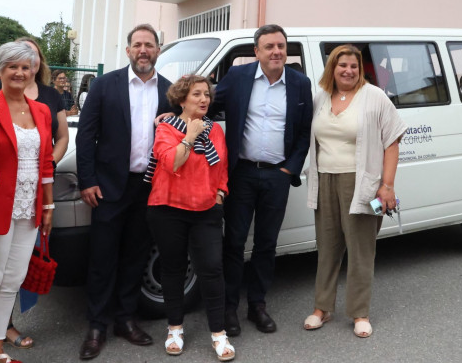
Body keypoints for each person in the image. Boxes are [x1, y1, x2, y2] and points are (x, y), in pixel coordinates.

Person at [0, 37, 69, 361]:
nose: (20, 72)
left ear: (33, 70)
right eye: (12, 67)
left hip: (29, 207)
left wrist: (47, 206)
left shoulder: (42, 110)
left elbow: (46, 161)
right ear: (0, 71)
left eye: (25, 66)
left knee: (13, 280)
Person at [75, 24, 173, 360]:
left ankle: (125, 319)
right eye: (137, 44)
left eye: (149, 45)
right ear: (128, 50)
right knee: (102, 257)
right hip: (108, 187)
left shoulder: (171, 91)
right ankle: (97, 325)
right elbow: (86, 137)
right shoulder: (105, 85)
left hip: (149, 187)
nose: (143, 50)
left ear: (158, 50)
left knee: (136, 255)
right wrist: (87, 180)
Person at [209, 24, 313, 336]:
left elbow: (305, 132)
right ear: (256, 52)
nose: (276, 51)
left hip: (276, 176)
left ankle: (257, 304)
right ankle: (229, 308)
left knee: (267, 243)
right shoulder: (239, 78)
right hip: (241, 174)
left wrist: (288, 170)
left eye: (281, 46)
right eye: (269, 46)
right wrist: (172, 117)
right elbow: (205, 104)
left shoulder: (299, 83)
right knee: (234, 242)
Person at [302, 44, 406, 338]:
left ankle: (360, 313)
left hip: (362, 183)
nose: (348, 70)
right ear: (332, 68)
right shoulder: (320, 97)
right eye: (342, 65)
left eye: (354, 66)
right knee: (327, 247)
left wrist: (387, 186)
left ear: (360, 70)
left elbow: (392, 141)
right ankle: (322, 308)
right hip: (324, 180)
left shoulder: (373, 97)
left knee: (361, 250)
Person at [146, 74, 235, 361]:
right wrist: (191, 135)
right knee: (172, 269)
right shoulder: (166, 128)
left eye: (207, 94)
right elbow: (172, 162)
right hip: (168, 208)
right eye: (197, 94)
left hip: (206, 209)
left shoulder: (216, 131)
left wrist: (220, 193)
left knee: (211, 269)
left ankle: (219, 334)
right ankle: (175, 328)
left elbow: (221, 167)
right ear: (182, 99)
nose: (204, 100)